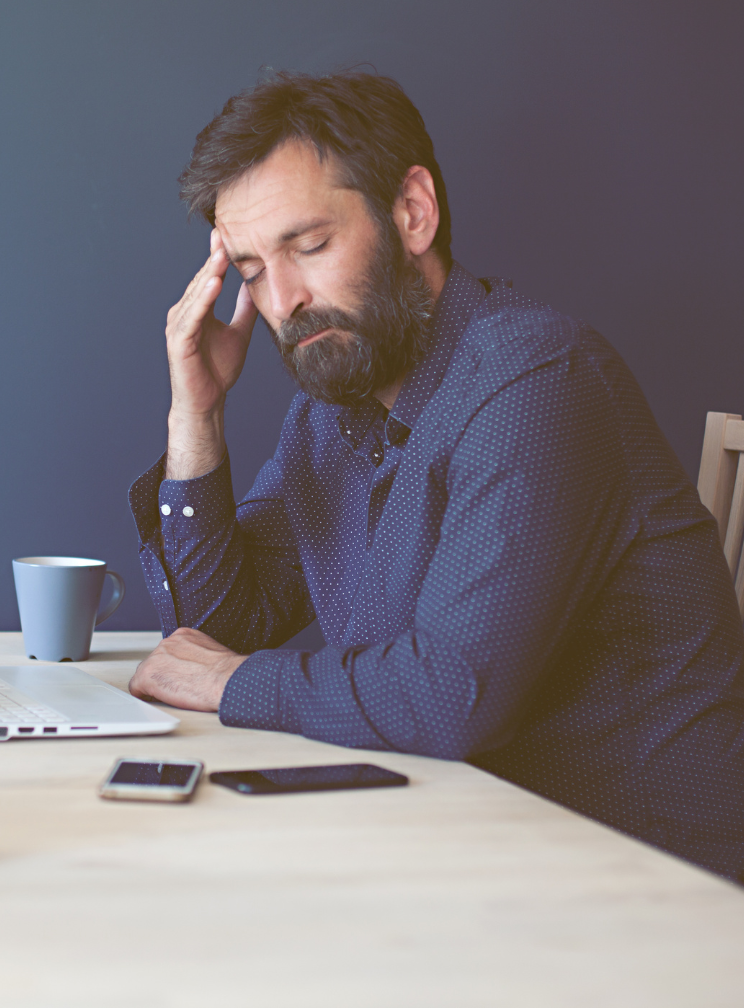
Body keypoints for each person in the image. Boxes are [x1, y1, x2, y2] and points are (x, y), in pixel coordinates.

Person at [125, 71, 744, 880]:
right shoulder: (330, 415)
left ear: (412, 213)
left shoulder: (536, 380)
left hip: (650, 888)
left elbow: (449, 695)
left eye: (309, 246)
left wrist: (237, 681)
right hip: (465, 853)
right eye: (248, 270)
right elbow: (214, 632)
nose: (284, 300)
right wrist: (195, 417)